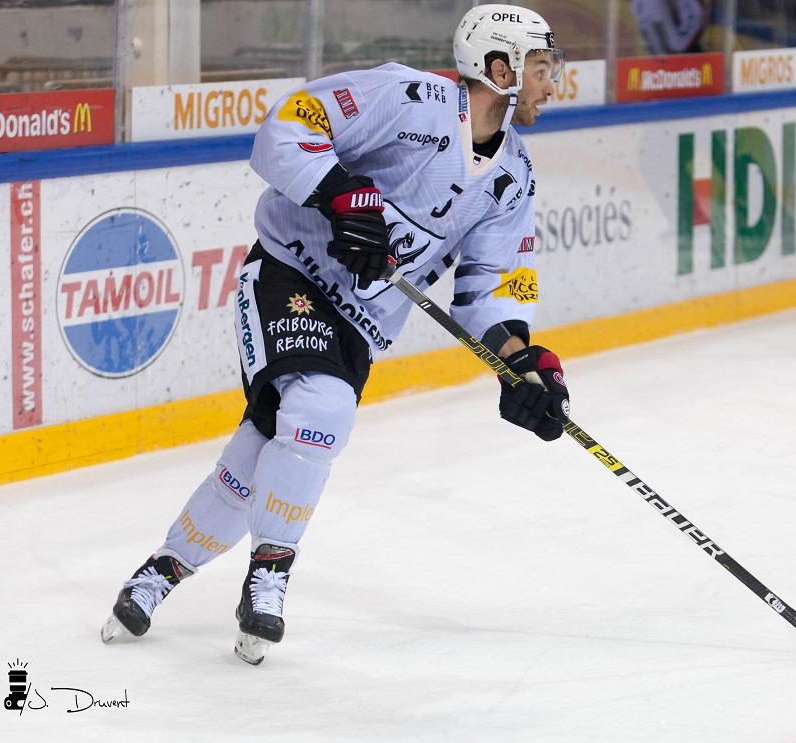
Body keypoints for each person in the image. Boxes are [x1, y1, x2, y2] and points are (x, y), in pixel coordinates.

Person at [101, 3, 569, 666]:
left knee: (265, 449)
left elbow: (492, 287)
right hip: (288, 269)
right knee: (322, 409)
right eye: (542, 68)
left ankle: (161, 572)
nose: (553, 84)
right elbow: (291, 122)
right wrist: (340, 190)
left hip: (361, 324)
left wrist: (524, 362)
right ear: (499, 69)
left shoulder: (513, 178)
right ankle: (271, 573)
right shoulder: (407, 97)